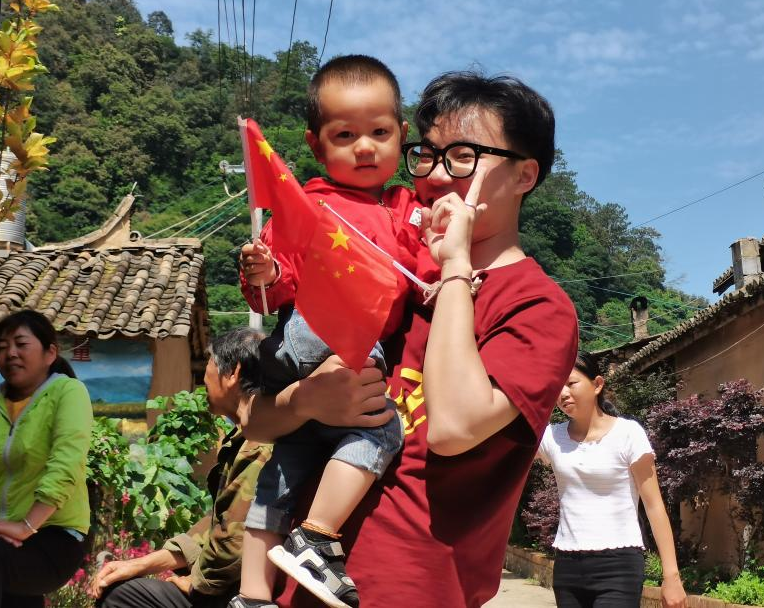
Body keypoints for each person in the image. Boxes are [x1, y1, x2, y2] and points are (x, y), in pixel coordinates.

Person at [242, 70, 580, 608]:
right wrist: (306, 401)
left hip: (409, 591)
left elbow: (452, 427)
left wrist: (455, 266)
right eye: (427, 154)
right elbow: (254, 421)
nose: (437, 175)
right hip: (298, 584)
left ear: (525, 174)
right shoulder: (389, 273)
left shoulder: (538, 306)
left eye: (464, 156)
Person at [232, 55, 421, 608]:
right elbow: (276, 290)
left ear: (400, 134)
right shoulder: (314, 206)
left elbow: (273, 291)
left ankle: (251, 595)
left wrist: (267, 276)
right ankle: (316, 537)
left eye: (379, 133)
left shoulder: (400, 207)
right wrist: (265, 274)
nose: (364, 147)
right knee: (381, 428)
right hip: (330, 335)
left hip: (291, 358)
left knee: (283, 470)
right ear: (317, 146)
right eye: (345, 135)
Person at [92, 328, 272, 608]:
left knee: (121, 597)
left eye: (209, 364)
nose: (203, 379)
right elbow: (214, 527)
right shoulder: (249, 436)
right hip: (231, 587)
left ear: (232, 373)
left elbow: (232, 544)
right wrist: (137, 564)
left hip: (237, 595)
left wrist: (195, 583)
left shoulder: (257, 444)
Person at [0, 309, 93, 608]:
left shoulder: (68, 392)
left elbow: (66, 463)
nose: (10, 353)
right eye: (2, 346)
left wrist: (25, 526)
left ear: (50, 353)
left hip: (54, 536)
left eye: (21, 344)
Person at [537, 351, 687, 608]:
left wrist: (671, 576)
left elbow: (654, 506)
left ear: (597, 384)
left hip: (619, 565)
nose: (563, 393)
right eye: (557, 386)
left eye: (571, 383)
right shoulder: (551, 437)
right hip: (567, 566)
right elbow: (505, 447)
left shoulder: (628, 434)